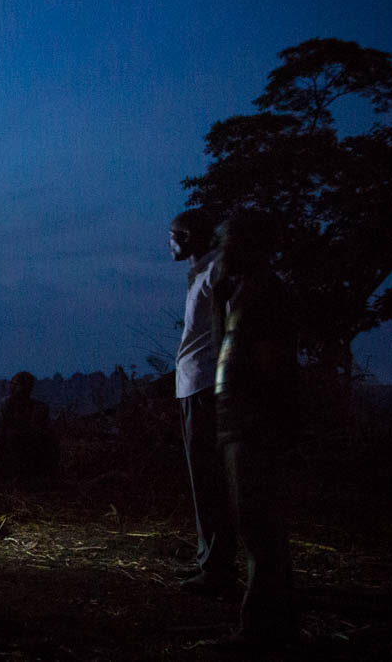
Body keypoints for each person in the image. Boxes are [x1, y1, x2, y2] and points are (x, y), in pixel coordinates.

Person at [210, 210, 298, 645]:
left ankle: (264, 628)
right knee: (252, 521)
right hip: (238, 420)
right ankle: (272, 620)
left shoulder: (266, 293)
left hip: (252, 422)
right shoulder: (242, 292)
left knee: (258, 523)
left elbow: (272, 367)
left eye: (228, 242)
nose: (221, 250)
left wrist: (263, 421)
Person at [170, 208, 236, 596]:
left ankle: (216, 566)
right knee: (204, 479)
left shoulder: (215, 273)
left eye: (174, 234)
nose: (170, 242)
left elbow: (230, 330)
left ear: (190, 237)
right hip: (193, 384)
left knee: (209, 478)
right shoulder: (200, 274)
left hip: (206, 386)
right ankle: (210, 560)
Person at [0, 371, 58, 488]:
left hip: (33, 449)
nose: (12, 387)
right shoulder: (7, 404)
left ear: (27, 387)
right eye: (12, 384)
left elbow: (44, 431)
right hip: (12, 447)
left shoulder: (39, 407)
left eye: (16, 384)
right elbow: (1, 431)